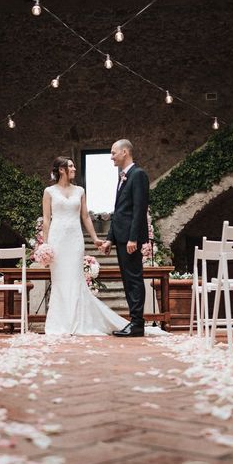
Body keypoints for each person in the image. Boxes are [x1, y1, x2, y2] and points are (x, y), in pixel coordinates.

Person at [42, 156, 131, 335]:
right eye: (71, 166)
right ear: (61, 169)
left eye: (74, 166)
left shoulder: (80, 190)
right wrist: (44, 245)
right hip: (57, 239)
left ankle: (77, 321)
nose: (74, 169)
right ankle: (60, 323)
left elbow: (85, 217)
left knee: (75, 279)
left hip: (75, 240)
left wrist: (95, 238)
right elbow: (46, 219)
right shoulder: (49, 191)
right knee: (59, 281)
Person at [99, 139, 150, 337]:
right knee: (128, 281)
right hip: (121, 238)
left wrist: (133, 238)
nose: (111, 157)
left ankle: (137, 324)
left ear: (125, 152)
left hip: (130, 239)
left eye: (113, 153)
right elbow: (120, 212)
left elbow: (139, 209)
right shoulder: (123, 176)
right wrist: (110, 239)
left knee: (134, 280)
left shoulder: (138, 175)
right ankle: (134, 321)